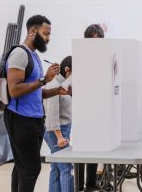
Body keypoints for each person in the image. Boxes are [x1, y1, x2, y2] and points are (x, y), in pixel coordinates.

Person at [4, 15, 69, 192]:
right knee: (31, 168)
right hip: (20, 119)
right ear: (33, 31)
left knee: (21, 167)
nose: (48, 38)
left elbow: (35, 93)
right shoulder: (20, 54)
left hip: (34, 119)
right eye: (46, 33)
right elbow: (14, 89)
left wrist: (56, 90)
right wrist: (44, 79)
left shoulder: (33, 56)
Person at [78, 24, 104, 192]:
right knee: (82, 153)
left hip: (100, 111)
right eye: (93, 40)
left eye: (99, 40)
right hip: (83, 113)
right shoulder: (80, 59)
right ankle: (83, 186)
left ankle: (92, 184)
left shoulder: (104, 58)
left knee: (96, 151)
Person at [44, 56, 74, 192]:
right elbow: (52, 115)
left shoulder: (65, 85)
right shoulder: (54, 86)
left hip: (63, 129)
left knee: (56, 167)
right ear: (67, 70)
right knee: (66, 168)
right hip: (56, 131)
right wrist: (60, 137)